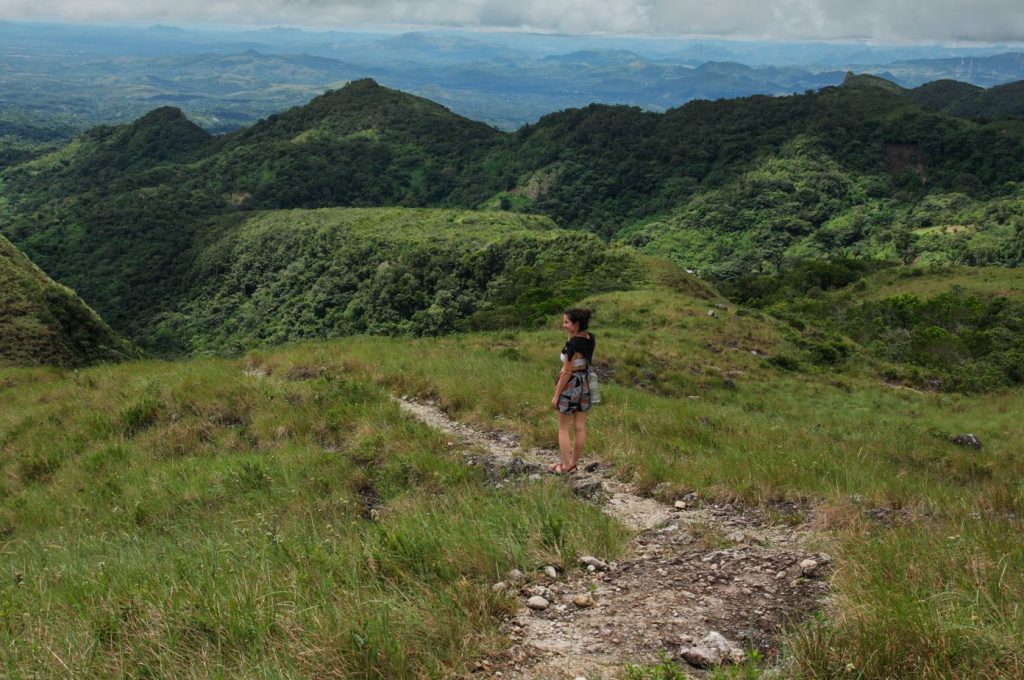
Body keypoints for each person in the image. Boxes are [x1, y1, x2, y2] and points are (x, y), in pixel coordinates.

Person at [549, 308, 595, 475]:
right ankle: (573, 464)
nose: (563, 325)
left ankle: (565, 466)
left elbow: (567, 371)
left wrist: (556, 395)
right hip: (585, 383)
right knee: (580, 426)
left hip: (570, 383)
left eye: (567, 322)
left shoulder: (572, 346)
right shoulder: (589, 338)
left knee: (563, 427)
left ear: (576, 324)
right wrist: (571, 335)